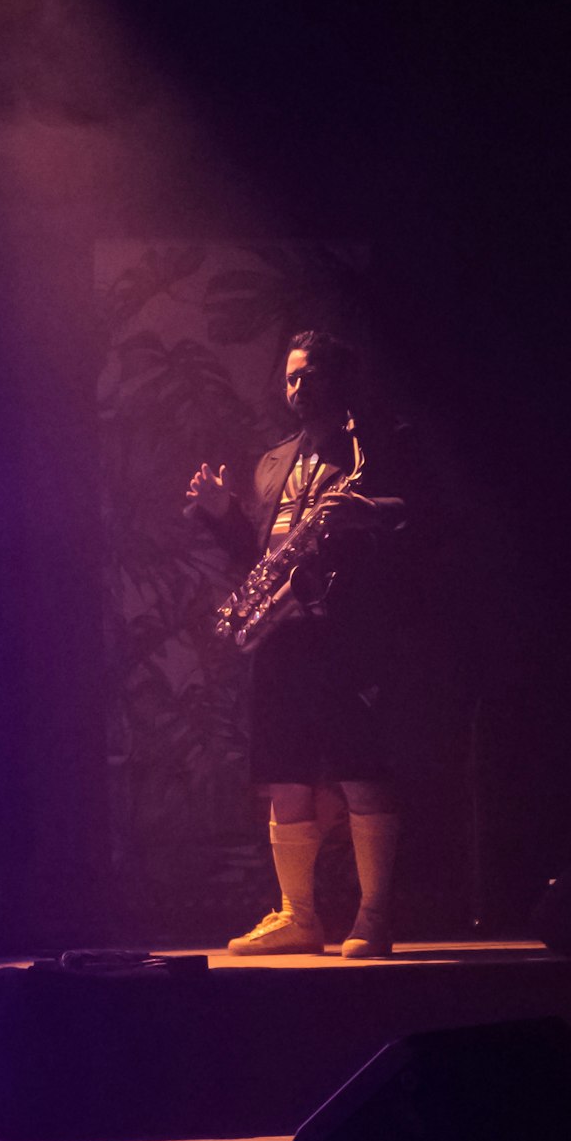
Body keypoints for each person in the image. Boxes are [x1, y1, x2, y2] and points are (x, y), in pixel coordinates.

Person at [185, 330, 407, 957]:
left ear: (338, 380)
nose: (297, 387)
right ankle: (298, 917)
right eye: (290, 377)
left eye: (308, 375)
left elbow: (421, 519)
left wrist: (365, 513)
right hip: (283, 634)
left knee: (362, 771)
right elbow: (261, 557)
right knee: (284, 776)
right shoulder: (274, 460)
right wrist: (223, 511)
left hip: (345, 634)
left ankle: (374, 917)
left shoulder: (375, 447)